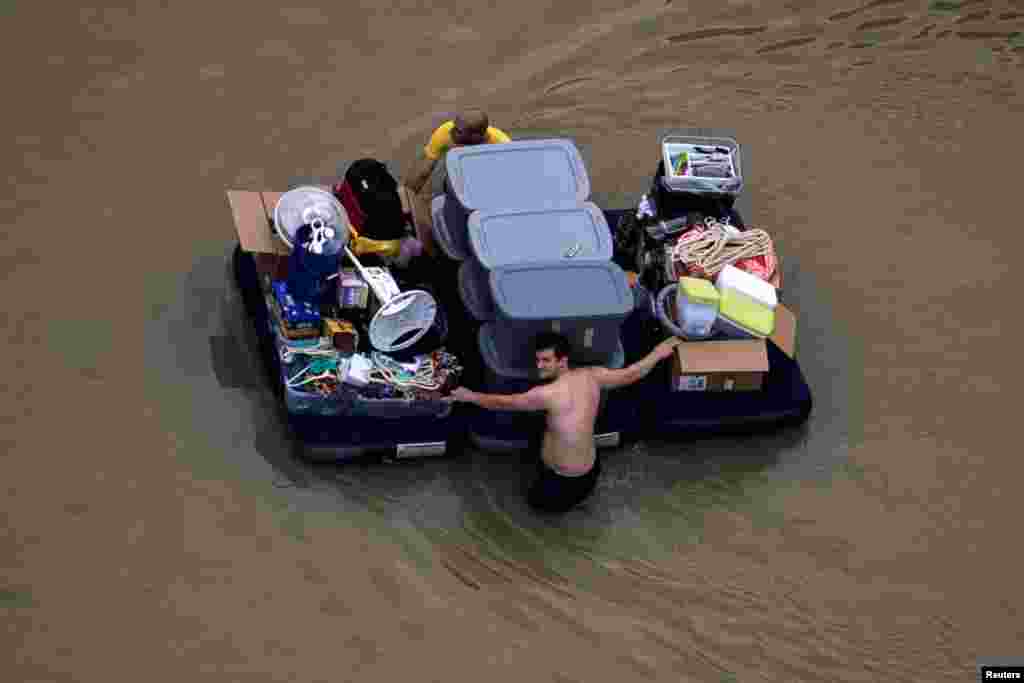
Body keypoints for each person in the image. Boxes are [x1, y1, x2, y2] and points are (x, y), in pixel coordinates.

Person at [450, 332, 683, 513]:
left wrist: (468, 396)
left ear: (562, 361)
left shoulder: (546, 394)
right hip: (590, 469)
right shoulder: (593, 375)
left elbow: (503, 403)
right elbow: (631, 374)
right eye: (538, 360)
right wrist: (657, 352)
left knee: (537, 509)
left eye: (545, 360)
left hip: (563, 480)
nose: (539, 365)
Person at [405, 109, 511, 196]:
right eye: (454, 125)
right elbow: (422, 171)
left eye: (458, 131)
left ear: (476, 136)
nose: (451, 131)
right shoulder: (445, 131)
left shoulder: (503, 145)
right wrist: (406, 197)